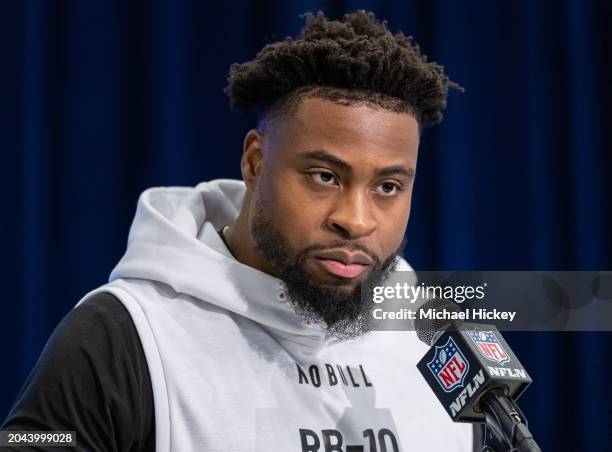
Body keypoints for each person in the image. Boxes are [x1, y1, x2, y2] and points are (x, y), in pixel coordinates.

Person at [3, 10, 474, 451]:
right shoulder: (122, 334)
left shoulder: (441, 343)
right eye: (324, 176)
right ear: (255, 161)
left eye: (388, 186)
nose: (355, 220)